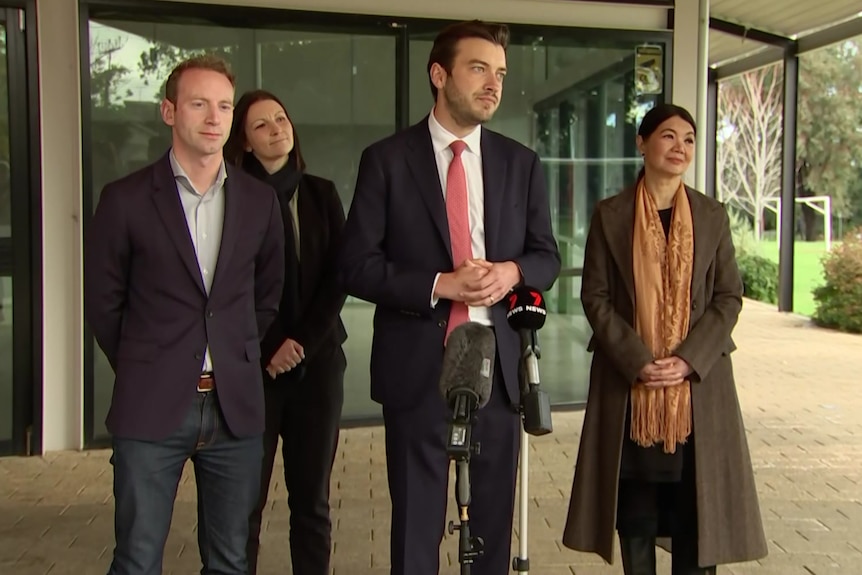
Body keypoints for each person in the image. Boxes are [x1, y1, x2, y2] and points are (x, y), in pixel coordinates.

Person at [338, 20, 561, 575]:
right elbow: (356, 265)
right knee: (416, 526)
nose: (494, 84)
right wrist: (440, 284)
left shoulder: (520, 163)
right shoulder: (386, 160)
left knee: (490, 527)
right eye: (479, 69)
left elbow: (546, 258)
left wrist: (511, 272)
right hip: (417, 368)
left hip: (500, 370)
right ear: (439, 75)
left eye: (501, 73)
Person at [84, 55, 286, 575]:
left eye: (223, 106)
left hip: (234, 410)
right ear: (169, 112)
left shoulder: (260, 203)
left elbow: (266, 296)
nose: (214, 118)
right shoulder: (125, 200)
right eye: (199, 104)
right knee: (137, 558)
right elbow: (105, 302)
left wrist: (235, 353)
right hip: (152, 405)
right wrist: (145, 362)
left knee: (230, 561)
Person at [561, 103, 767, 574]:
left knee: (697, 517)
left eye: (690, 139)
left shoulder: (712, 216)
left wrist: (688, 358)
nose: (680, 147)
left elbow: (728, 297)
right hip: (631, 390)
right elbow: (595, 297)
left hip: (697, 391)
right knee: (636, 520)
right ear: (642, 143)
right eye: (669, 136)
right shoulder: (610, 215)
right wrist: (639, 359)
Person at [223, 90, 347, 575]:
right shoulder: (230, 196)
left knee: (311, 501)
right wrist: (270, 345)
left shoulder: (321, 192)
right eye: (261, 125)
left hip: (316, 367)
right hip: (254, 369)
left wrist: (301, 343)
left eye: (281, 119)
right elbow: (229, 282)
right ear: (246, 144)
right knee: (244, 502)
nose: (277, 128)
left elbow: (340, 275)